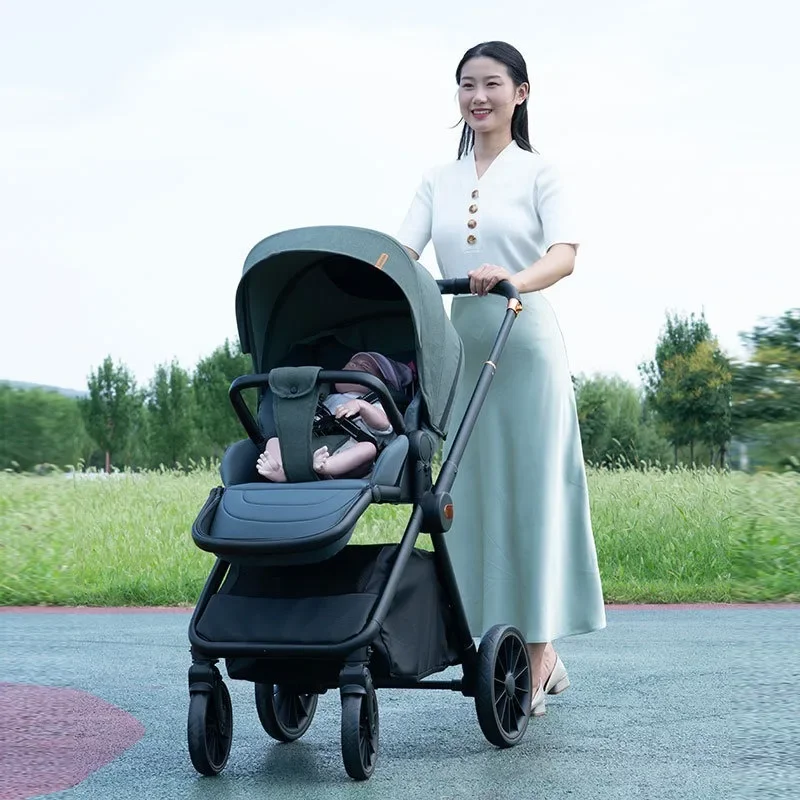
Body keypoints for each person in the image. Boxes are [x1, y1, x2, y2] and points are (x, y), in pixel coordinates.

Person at [395, 41, 606, 716]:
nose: (477, 97)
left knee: (535, 496)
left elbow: (564, 255)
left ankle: (540, 650)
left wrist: (513, 278)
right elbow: (403, 251)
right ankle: (501, 636)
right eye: (466, 85)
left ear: (521, 93)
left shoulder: (542, 173)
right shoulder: (438, 178)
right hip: (460, 348)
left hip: (526, 342)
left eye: (491, 84)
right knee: (470, 497)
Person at [256, 351, 412, 481]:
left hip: (348, 450)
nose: (352, 365)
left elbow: (385, 425)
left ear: (381, 384)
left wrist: (362, 406)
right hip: (314, 444)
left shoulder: (379, 403)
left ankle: (326, 467)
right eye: (350, 363)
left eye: (363, 366)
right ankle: (282, 471)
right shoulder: (329, 398)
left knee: (368, 449)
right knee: (274, 440)